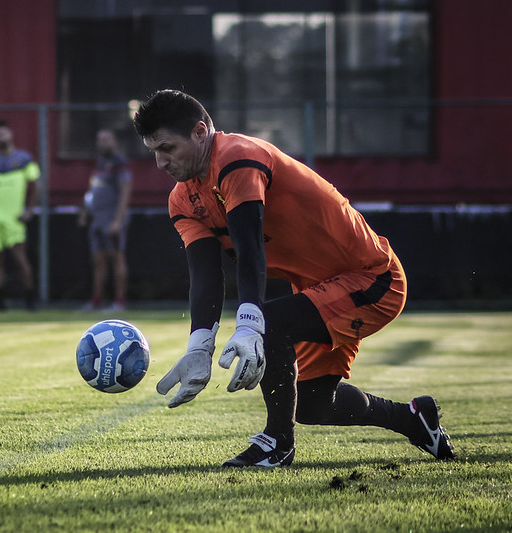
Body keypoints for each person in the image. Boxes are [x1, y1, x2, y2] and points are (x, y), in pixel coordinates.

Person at [133, 89, 455, 468]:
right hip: (321, 290)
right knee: (315, 403)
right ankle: (412, 418)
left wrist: (250, 324)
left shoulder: (236, 156)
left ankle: (276, 442)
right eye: (153, 151)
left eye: (167, 148)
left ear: (201, 132)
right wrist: (199, 345)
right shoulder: (182, 199)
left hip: (372, 277)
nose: (160, 162)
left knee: (270, 324)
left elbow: (250, 250)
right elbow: (205, 274)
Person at [0, 120, 40, 311]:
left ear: (10, 135)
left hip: (13, 218)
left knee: (20, 259)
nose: (0, 138)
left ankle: (30, 300)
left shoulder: (24, 159)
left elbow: (37, 185)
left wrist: (29, 210)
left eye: (2, 134)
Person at [78, 129, 132, 312]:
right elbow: (92, 190)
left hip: (112, 218)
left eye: (107, 139)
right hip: (97, 219)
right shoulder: (99, 163)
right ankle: (96, 300)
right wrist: (86, 211)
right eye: (100, 139)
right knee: (98, 260)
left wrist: (117, 220)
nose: (103, 143)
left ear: (114, 141)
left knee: (116, 257)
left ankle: (119, 302)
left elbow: (125, 192)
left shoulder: (119, 162)